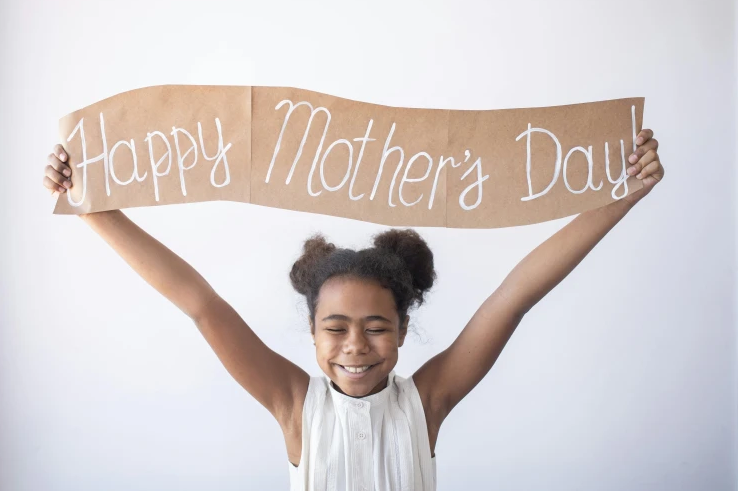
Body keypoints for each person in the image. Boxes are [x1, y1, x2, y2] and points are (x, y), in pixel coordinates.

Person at [42, 129, 664, 490]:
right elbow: (202, 305)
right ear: (312, 335)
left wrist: (624, 197)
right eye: (335, 328)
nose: (355, 346)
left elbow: (515, 295)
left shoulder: (425, 402)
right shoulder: (296, 406)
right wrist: (89, 207)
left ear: (401, 331)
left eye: (376, 327)